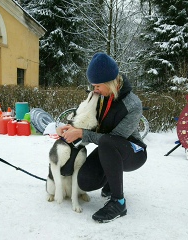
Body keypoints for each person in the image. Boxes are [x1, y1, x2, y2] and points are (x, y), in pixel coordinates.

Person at [59, 52, 147, 223]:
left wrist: (82, 134)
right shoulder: (101, 98)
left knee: (108, 142)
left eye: (97, 86)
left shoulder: (132, 104)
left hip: (133, 152)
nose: (94, 90)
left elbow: (116, 137)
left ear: (110, 83)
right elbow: (91, 125)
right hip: (108, 148)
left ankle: (118, 202)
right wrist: (72, 128)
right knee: (84, 181)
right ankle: (110, 181)